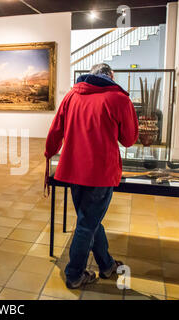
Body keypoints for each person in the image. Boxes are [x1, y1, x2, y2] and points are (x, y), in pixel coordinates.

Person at [44, 63, 138, 289]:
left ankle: (105, 264)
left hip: (73, 170)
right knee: (87, 224)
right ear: (111, 76)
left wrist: (49, 152)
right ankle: (74, 274)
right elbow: (129, 139)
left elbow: (56, 130)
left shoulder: (71, 96)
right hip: (100, 172)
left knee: (90, 220)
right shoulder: (119, 99)